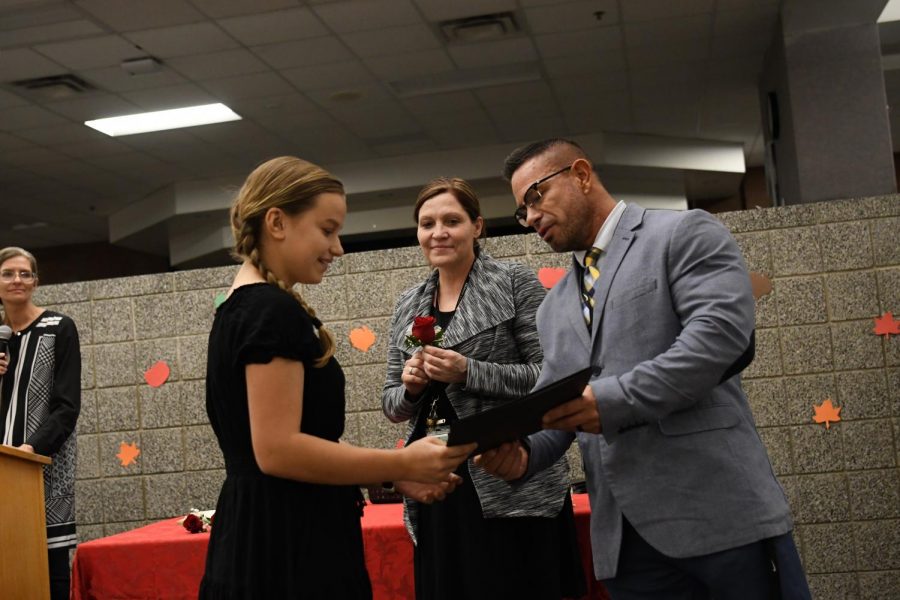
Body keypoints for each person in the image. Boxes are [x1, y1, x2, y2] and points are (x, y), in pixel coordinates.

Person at [477, 139, 811, 599]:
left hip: (719, 517)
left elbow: (718, 338)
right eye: (521, 211)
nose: (531, 217)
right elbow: (560, 407)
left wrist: (613, 400)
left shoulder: (683, 234)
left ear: (580, 174)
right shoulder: (552, 308)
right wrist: (524, 455)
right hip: (626, 544)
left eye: (536, 196)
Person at [198, 157, 473, 599]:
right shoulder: (271, 312)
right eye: (327, 230)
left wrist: (385, 477)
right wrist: (400, 462)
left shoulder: (240, 307)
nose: (338, 247)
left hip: (266, 531)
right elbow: (278, 451)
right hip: (289, 548)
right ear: (277, 222)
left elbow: (296, 440)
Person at [382, 177, 586, 600]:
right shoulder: (408, 304)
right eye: (427, 223)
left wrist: (469, 371)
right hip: (439, 483)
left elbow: (547, 377)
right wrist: (411, 389)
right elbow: (392, 406)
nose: (438, 232)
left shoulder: (514, 282)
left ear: (477, 226)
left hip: (508, 477)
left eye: (451, 221)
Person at [0, 246, 81, 600]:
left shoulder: (59, 328)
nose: (17, 280)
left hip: (40, 470)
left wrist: (30, 451)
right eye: (7, 273)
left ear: (36, 281)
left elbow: (66, 406)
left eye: (24, 273)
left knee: (50, 575)